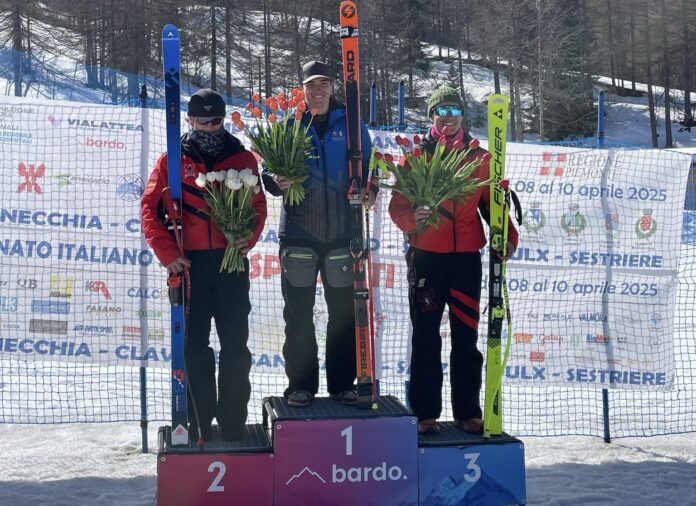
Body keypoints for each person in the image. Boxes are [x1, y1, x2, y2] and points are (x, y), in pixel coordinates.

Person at [388, 85, 519, 435]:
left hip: (465, 260)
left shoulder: (480, 158)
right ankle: (425, 414)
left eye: (454, 111)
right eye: (441, 111)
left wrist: (507, 236)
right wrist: (412, 219)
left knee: (466, 336)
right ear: (432, 115)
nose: (448, 118)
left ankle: (468, 411)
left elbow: (492, 205)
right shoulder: (417, 155)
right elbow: (397, 205)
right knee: (426, 336)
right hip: (427, 258)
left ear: (462, 115)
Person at [141, 88, 267, 441]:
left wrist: (248, 238)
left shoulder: (242, 158)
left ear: (223, 120)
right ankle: (198, 422)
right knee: (194, 347)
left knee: (235, 346)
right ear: (190, 120)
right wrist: (169, 254)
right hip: (190, 266)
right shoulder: (172, 160)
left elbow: (258, 206)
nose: (210, 128)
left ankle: (232, 421)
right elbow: (150, 209)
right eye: (202, 121)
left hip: (230, 264)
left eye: (215, 121)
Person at [262, 61, 376, 408]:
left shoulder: (351, 124)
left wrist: (369, 190)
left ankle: (342, 384)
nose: (318, 90)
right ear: (303, 89)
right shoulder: (291, 124)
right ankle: (301, 385)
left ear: (332, 87)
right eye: (311, 85)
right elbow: (268, 168)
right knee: (298, 314)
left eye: (323, 83)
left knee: (342, 314)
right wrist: (275, 181)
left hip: (342, 233)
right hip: (299, 233)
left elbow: (370, 167)